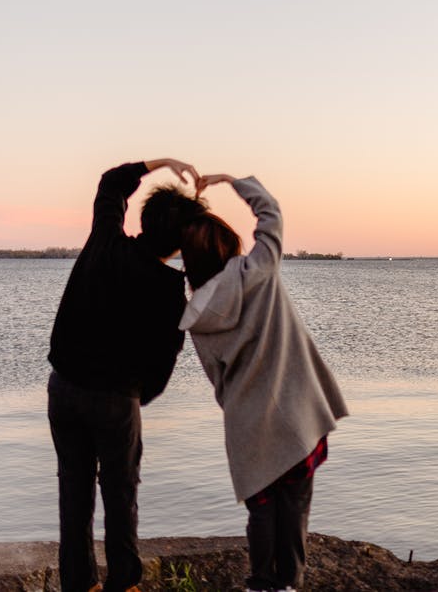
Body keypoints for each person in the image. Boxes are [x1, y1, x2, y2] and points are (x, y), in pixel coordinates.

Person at [179, 173, 348, 592]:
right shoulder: (260, 271)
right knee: (295, 507)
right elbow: (270, 214)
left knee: (262, 509)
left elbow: (218, 380)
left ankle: (260, 583)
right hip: (295, 414)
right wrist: (235, 182)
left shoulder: (197, 316)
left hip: (246, 422)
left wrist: (241, 407)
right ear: (227, 248)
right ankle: (288, 583)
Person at [47, 159, 203, 592]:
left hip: (63, 387)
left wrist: (163, 164)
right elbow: (160, 371)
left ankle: (79, 584)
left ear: (144, 220)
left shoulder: (105, 241)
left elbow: (111, 182)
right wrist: (134, 395)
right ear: (179, 242)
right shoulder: (170, 293)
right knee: (120, 496)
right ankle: (124, 584)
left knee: (73, 495)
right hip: (118, 399)